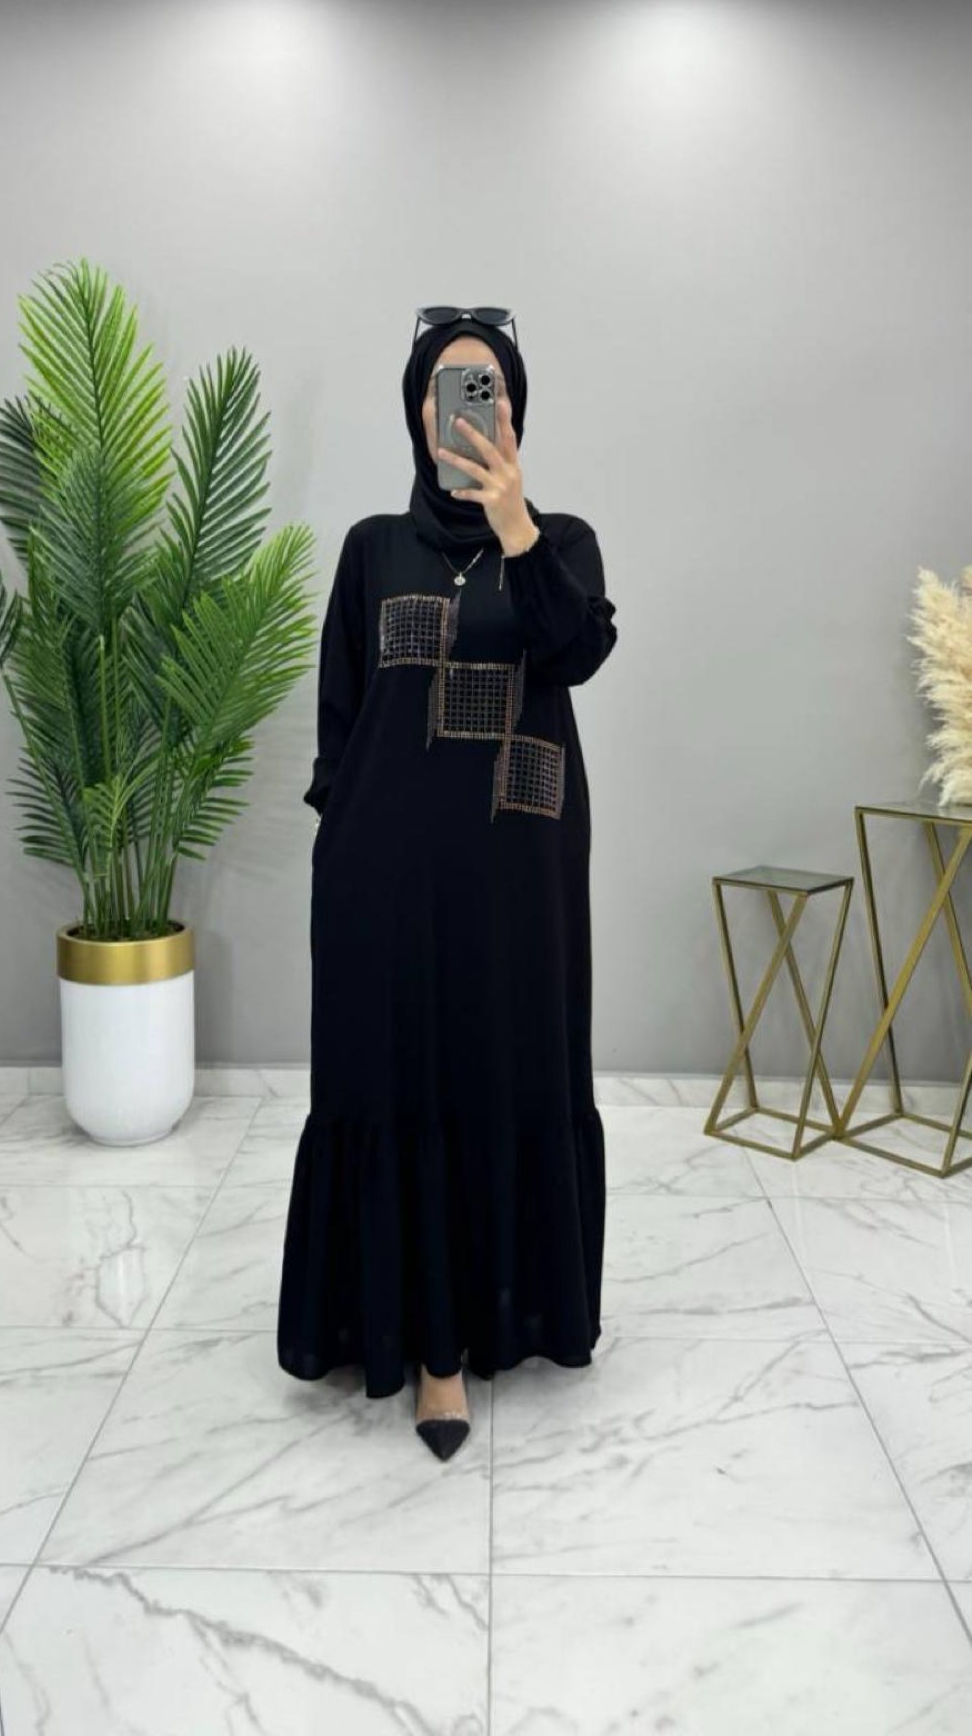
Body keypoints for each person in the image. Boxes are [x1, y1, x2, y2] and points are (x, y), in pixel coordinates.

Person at [276, 309, 619, 1460]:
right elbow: (340, 711)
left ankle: (504, 1315)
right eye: (444, 387)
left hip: (519, 871)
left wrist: (514, 524)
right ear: (415, 410)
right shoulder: (372, 545)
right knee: (399, 1074)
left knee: (503, 1067)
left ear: (514, 410)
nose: (465, 407)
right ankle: (428, 1350)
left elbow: (574, 652)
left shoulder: (561, 540)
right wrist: (345, 840)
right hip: (385, 871)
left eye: (486, 388)